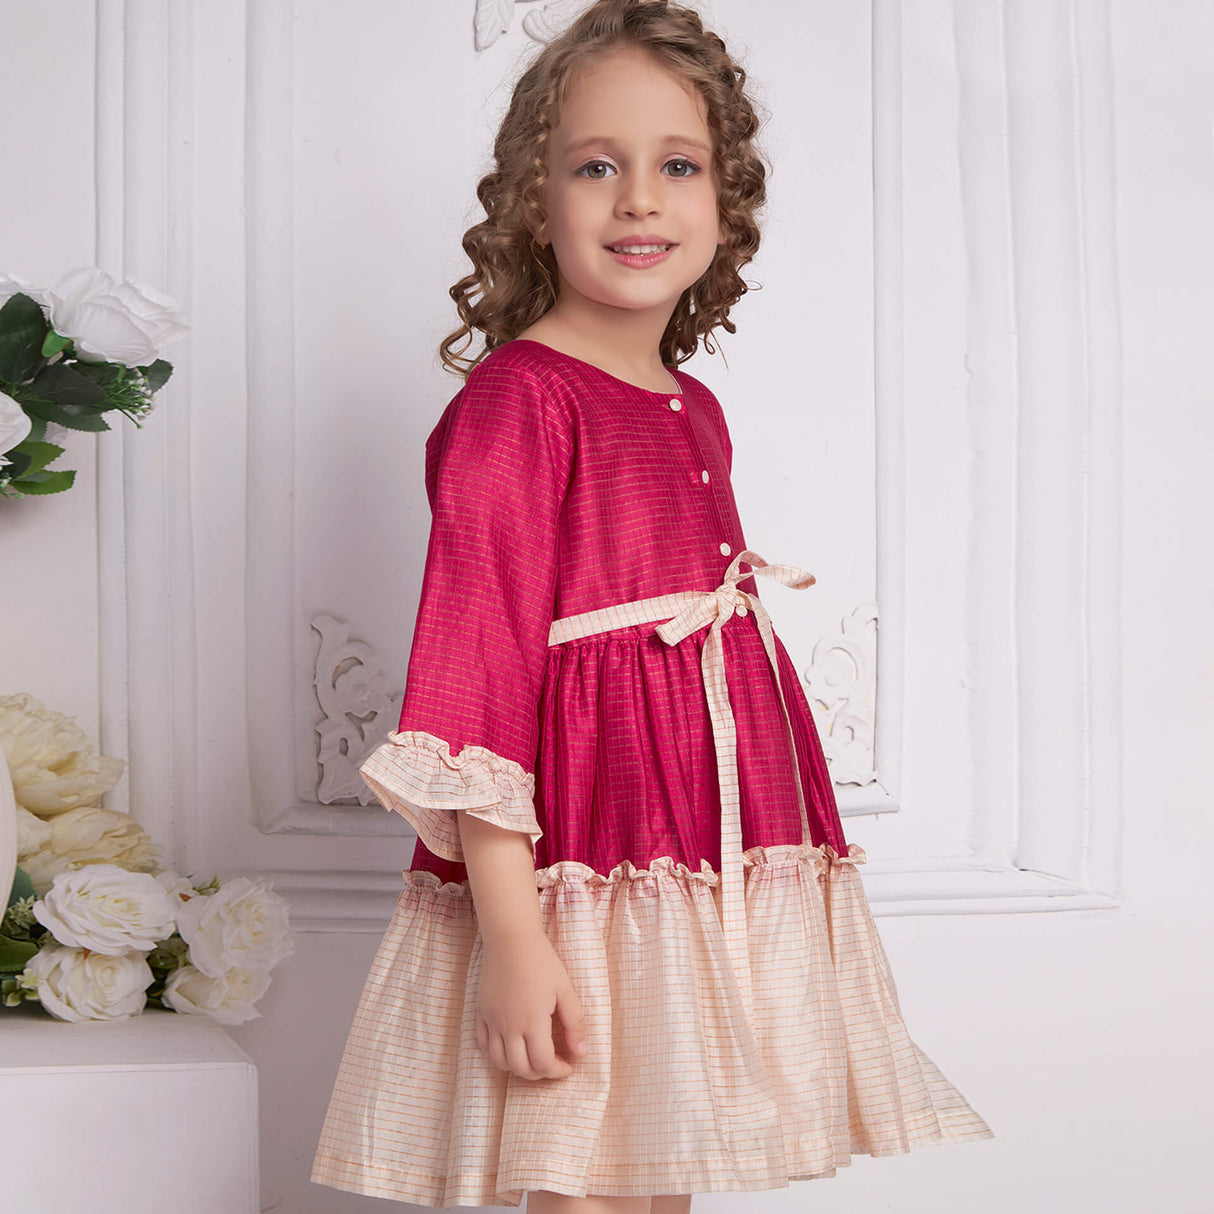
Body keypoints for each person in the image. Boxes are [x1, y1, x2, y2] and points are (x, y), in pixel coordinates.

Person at [311, 1, 995, 1209]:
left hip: (695, 841)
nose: (638, 198)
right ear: (534, 200)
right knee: (578, 1163)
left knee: (659, 1159)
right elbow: (477, 665)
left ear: (723, 204)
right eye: (594, 166)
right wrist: (514, 937)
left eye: (677, 166)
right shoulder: (520, 402)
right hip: (585, 852)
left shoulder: (691, 404)